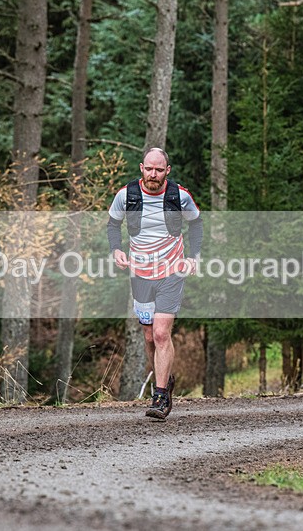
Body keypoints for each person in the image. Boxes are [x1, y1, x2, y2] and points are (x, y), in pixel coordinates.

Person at [107, 147, 202, 420]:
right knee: (149, 336)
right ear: (141, 167)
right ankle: (165, 380)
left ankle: (159, 396)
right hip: (140, 274)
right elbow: (113, 225)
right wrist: (116, 250)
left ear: (167, 171)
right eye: (149, 168)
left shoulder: (179, 195)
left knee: (161, 333)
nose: (153, 174)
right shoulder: (126, 195)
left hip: (172, 272)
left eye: (159, 170)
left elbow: (197, 224)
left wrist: (193, 258)